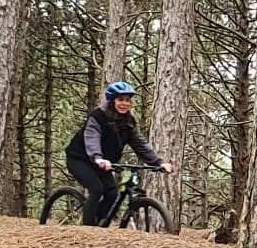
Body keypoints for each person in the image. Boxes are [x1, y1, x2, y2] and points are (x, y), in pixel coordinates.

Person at [65, 81, 176, 225]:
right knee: (97, 189)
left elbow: (140, 144)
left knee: (112, 194)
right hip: (80, 159)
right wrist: (98, 158)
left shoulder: (128, 122)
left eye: (127, 100)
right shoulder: (98, 117)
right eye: (120, 100)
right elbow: (92, 138)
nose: (124, 104)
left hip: (102, 163)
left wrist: (159, 162)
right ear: (112, 101)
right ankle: (87, 230)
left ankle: (98, 224)